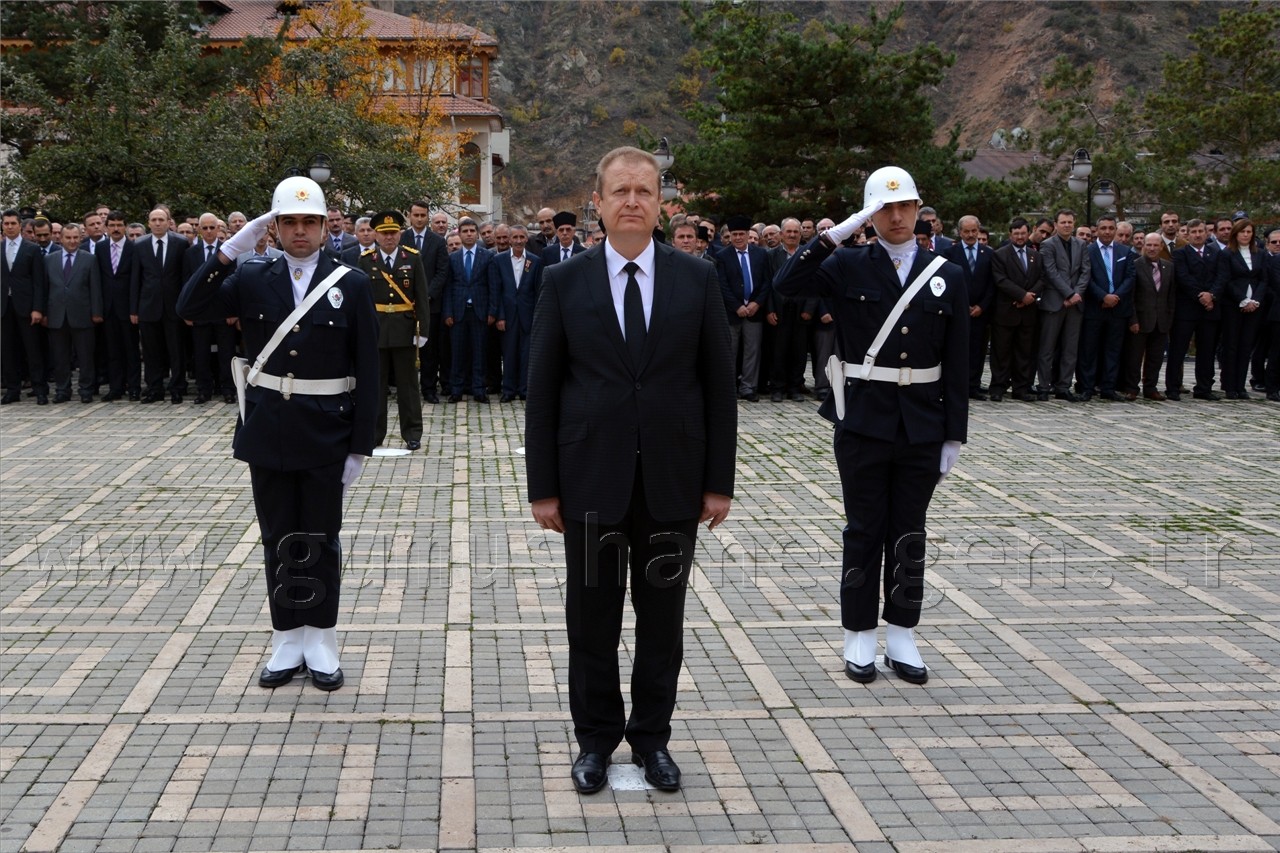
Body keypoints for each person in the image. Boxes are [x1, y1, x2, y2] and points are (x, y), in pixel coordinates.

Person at [526, 146, 736, 795]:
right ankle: (594, 741)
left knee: (662, 622)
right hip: (591, 480)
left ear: (661, 203)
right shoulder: (565, 281)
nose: (632, 201)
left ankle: (652, 739)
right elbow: (544, 389)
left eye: (644, 190)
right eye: (620, 190)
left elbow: (717, 386)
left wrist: (718, 481)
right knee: (591, 620)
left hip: (673, 483)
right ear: (598, 201)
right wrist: (543, 487)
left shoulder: (696, 278)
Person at [176, 176, 379, 691]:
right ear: (274, 227)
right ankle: (287, 639)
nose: (300, 231)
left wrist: (361, 446)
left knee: (320, 538)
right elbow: (190, 308)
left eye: (309, 222)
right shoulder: (251, 275)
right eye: (289, 222)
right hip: (269, 430)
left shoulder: (351, 283)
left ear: (325, 227)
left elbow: (370, 371)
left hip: (327, 432)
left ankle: (321, 641)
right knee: (278, 537)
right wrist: (228, 252)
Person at [773, 166, 967, 686]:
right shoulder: (847, 263)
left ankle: (902, 633)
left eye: (905, 206)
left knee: (909, 530)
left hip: (923, 422)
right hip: (862, 419)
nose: (896, 216)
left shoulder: (947, 271)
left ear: (919, 209)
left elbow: (959, 358)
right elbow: (786, 285)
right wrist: (834, 235)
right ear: (869, 214)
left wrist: (954, 432)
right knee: (864, 530)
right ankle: (858, 634)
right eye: (884, 208)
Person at [362, 210, 430, 450]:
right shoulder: (366, 260)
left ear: (400, 234)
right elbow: (361, 301)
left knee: (408, 386)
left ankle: (412, 433)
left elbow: (421, 296)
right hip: (376, 331)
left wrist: (423, 331)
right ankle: (374, 434)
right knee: (376, 386)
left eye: (393, 232)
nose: (389, 237)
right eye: (384, 233)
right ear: (376, 236)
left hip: (405, 329)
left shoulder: (412, 258)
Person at [43, 223, 103, 403]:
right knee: (60, 357)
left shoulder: (90, 259)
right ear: (61, 239)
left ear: (80, 238)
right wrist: (44, 313)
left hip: (83, 315)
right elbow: (44, 288)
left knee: (85, 356)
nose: (72, 241)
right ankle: (62, 390)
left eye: (75, 237)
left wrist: (96, 312)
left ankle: (86, 390)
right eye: (68, 237)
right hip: (56, 315)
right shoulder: (49, 259)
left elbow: (95, 288)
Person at [988, 217, 1044, 402]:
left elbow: (1042, 278)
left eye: (1023, 233)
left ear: (1028, 234)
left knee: (1024, 353)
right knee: (1001, 352)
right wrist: (1021, 295)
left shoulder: (1036, 255)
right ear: (1010, 235)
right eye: (1016, 233)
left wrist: (1030, 297)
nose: (1020, 237)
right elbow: (1000, 280)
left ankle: (1021, 388)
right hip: (1006, 311)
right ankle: (998, 387)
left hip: (1028, 313)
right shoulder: (1000, 254)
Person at [488, 224, 542, 401]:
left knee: (526, 354)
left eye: (521, 237)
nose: (518, 241)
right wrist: (500, 316)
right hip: (507, 315)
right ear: (510, 239)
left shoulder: (535, 261)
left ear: (527, 239)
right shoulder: (499, 260)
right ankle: (509, 390)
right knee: (509, 353)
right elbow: (496, 291)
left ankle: (525, 389)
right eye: (515, 237)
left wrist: (537, 317)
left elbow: (538, 291)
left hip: (528, 315)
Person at [1170, 219, 1222, 401]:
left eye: (1201, 231)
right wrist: (1201, 295)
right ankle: (1173, 387)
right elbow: (1183, 277)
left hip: (1210, 309)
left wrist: (1212, 295)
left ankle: (1204, 388)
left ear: (1206, 233)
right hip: (1187, 308)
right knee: (1178, 349)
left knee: (1207, 351)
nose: (1198, 235)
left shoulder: (1216, 253)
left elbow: (1221, 276)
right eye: (1194, 232)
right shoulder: (1180, 254)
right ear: (1188, 234)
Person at [1, 208, 50, 405]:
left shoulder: (32, 249)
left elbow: (39, 282)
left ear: (20, 225)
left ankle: (40, 389)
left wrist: (38, 308)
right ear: (2, 226)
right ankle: (12, 389)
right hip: (4, 306)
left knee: (33, 350)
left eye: (13, 223)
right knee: (7, 350)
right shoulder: (0, 247)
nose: (10, 227)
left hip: (27, 307)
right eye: (6, 223)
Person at [1216, 218, 1266, 399]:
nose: (1246, 235)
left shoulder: (1260, 253)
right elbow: (1226, 280)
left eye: (1249, 232)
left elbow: (1263, 279)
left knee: (1246, 346)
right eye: (1242, 232)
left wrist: (1255, 301)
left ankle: (1240, 386)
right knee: (1231, 345)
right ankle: (1230, 386)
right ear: (1235, 234)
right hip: (1233, 305)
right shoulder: (1227, 254)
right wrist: (1243, 300)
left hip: (1255, 306)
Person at [1123, 234, 1176, 401]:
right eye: (1149, 245)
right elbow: (1130, 296)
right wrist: (1133, 320)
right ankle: (1131, 388)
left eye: (1155, 245)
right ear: (1144, 246)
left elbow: (1171, 295)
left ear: (1161, 247)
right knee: (1134, 357)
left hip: (1161, 320)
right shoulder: (1135, 265)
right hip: (1140, 319)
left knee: (1155, 357)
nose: (1152, 248)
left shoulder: (1169, 267)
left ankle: (1150, 387)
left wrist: (1169, 318)